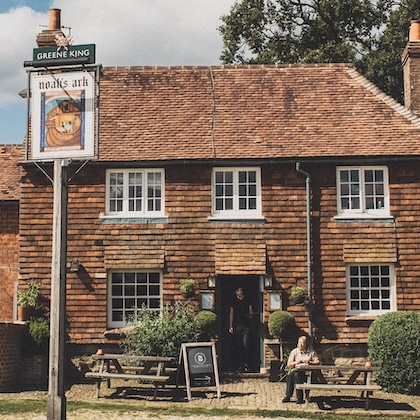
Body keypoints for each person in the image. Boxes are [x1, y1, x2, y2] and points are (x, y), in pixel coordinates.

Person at [282, 335, 319, 404]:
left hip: (308, 373)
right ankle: (290, 396)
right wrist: (297, 362)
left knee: (295, 375)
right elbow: (289, 364)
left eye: (302, 343)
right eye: (299, 343)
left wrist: (309, 362)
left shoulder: (311, 352)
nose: (300, 345)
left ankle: (297, 397)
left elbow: (318, 362)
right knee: (292, 375)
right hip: (297, 371)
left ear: (306, 344)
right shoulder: (295, 351)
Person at [229, 287, 252, 372]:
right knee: (238, 346)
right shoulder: (233, 302)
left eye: (240, 290)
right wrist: (230, 326)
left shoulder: (247, 300)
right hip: (237, 326)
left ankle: (246, 364)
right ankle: (239, 365)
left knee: (245, 345)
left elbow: (251, 313)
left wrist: (248, 316)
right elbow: (231, 314)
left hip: (246, 326)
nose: (239, 292)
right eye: (237, 290)